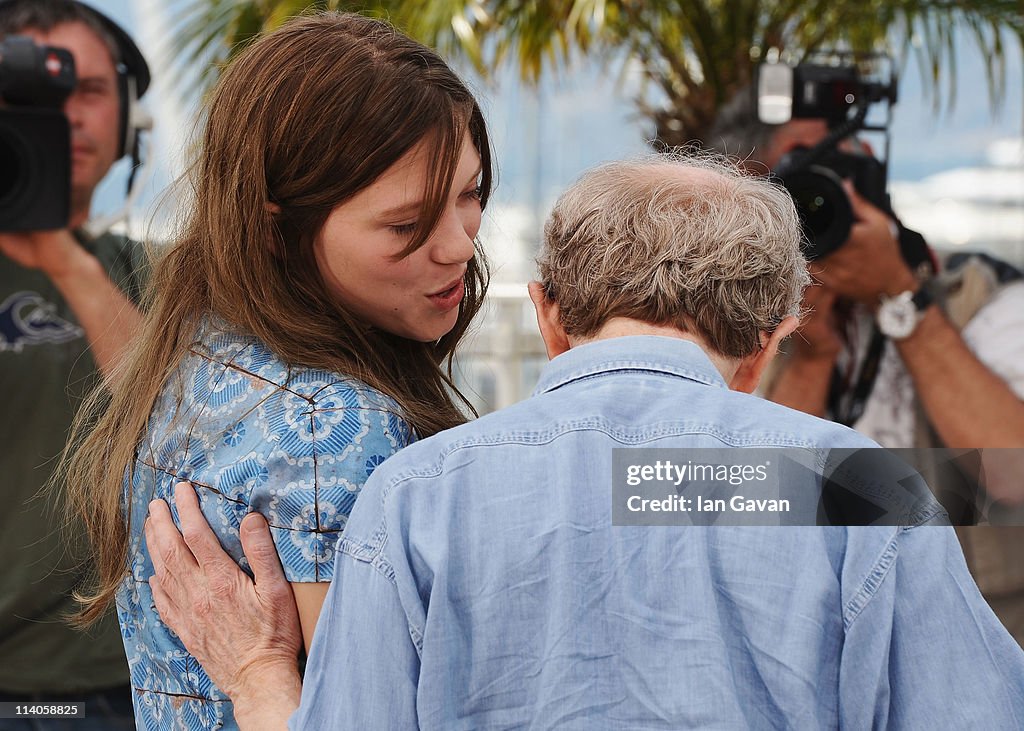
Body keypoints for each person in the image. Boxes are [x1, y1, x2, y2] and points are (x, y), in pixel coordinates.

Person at [144, 154, 1024, 729]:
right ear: (768, 340)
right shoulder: (852, 486)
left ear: (547, 315)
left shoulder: (417, 496)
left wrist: (259, 674)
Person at [58, 11, 494, 730]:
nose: (456, 246)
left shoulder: (198, 347)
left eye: (471, 194)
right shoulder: (337, 426)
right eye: (405, 224)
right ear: (275, 226)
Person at [707, 85, 1024, 644]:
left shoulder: (981, 291)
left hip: (970, 633)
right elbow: (751, 508)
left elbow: (1014, 475)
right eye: (803, 172)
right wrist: (812, 349)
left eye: (849, 163)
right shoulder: (728, 321)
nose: (832, 189)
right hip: (808, 640)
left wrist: (902, 299)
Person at [0, 1, 149, 727]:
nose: (63, 117)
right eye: (31, 98)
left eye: (87, 91)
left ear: (123, 116)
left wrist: (61, 254)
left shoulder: (155, 277)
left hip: (143, 683)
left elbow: (170, 416)